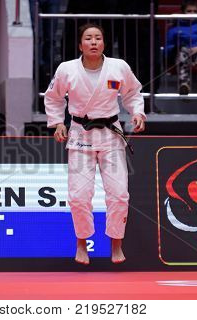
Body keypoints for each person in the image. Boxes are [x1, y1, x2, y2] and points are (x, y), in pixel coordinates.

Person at [44, 23, 145, 265]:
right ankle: (81, 245)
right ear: (80, 45)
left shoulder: (118, 67)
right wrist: (58, 123)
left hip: (110, 134)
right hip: (80, 133)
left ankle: (116, 245)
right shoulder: (67, 69)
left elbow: (132, 93)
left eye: (98, 38)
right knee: (79, 196)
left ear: (104, 44)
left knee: (119, 194)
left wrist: (137, 112)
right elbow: (53, 97)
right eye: (88, 38)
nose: (93, 42)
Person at [165, 0, 197, 95]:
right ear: (183, 12)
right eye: (189, 11)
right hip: (182, 54)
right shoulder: (174, 28)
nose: (192, 14)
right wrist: (178, 47)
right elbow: (168, 48)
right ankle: (184, 85)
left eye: (195, 11)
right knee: (182, 53)